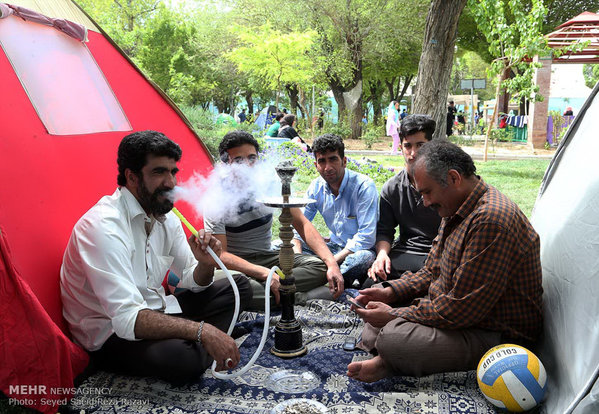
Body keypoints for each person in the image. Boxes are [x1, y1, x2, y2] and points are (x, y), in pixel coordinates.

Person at [60, 130, 252, 384]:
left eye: (173, 172)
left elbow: (189, 278)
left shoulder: (165, 217)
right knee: (183, 360)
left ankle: (202, 340)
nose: (171, 183)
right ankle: (205, 341)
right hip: (111, 335)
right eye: (158, 172)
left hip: (155, 310)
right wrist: (202, 330)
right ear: (131, 176)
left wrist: (205, 265)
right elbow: (128, 319)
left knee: (238, 286)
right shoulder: (102, 226)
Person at [347, 139, 543, 382]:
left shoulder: (491, 221)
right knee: (377, 293)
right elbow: (431, 272)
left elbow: (461, 310)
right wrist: (390, 293)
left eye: (427, 192)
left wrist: (396, 315)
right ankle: (393, 355)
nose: (426, 202)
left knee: (393, 338)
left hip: (493, 332)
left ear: (453, 178)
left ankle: (391, 359)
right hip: (453, 312)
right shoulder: (456, 208)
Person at [204, 131, 344, 310]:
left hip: (268, 257)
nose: (247, 165)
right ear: (225, 164)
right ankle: (299, 297)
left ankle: (275, 296)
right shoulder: (215, 197)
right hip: (238, 266)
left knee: (319, 266)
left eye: (252, 158)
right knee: (240, 287)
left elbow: (301, 223)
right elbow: (220, 255)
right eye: (238, 160)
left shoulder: (269, 185)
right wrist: (263, 274)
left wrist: (332, 264)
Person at [365, 115, 441, 289]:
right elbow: (385, 231)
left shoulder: (444, 184)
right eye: (408, 146)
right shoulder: (392, 188)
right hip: (406, 251)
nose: (413, 154)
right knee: (370, 285)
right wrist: (382, 255)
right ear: (401, 147)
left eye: (420, 146)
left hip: (440, 253)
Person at [294, 134, 378, 288]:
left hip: (353, 252)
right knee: (280, 245)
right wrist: (298, 260)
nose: (328, 167)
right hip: (332, 249)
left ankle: (321, 283)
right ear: (316, 165)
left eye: (333, 159)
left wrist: (331, 261)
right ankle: (320, 277)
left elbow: (367, 237)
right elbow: (298, 225)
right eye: (322, 161)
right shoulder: (316, 187)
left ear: (344, 161)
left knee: (363, 258)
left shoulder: (363, 186)